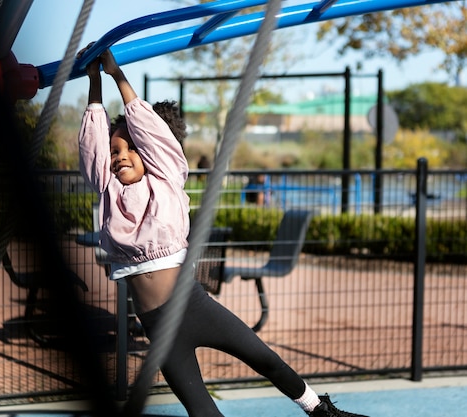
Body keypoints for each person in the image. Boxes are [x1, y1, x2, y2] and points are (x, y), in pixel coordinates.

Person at [77, 44, 368, 417]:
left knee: (265, 358)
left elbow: (149, 131)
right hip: (158, 327)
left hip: (193, 305)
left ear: (149, 154)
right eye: (116, 151)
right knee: (202, 411)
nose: (120, 157)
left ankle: (320, 410)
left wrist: (116, 74)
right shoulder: (107, 189)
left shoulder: (166, 177)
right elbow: (92, 146)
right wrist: (93, 82)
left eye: (130, 149)